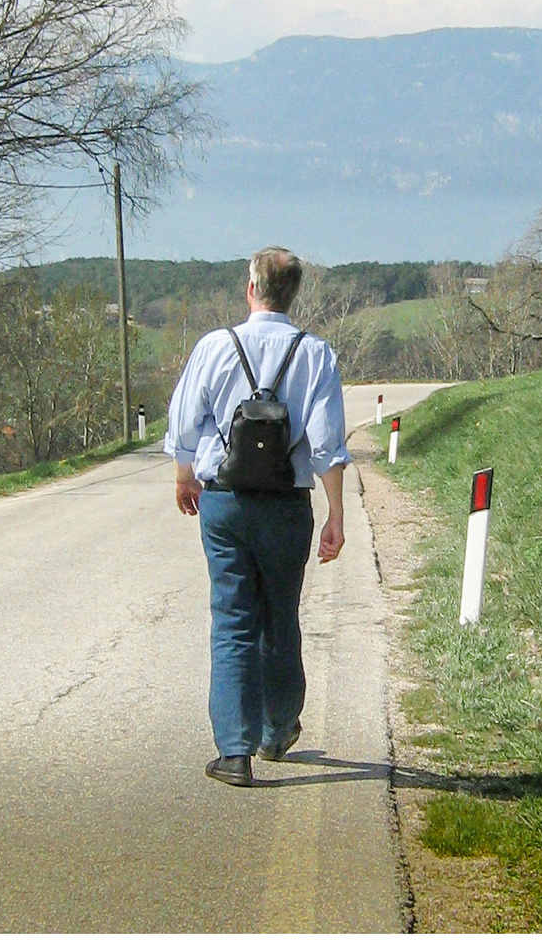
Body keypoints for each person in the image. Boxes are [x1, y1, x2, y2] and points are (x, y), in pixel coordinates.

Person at [164, 247, 351, 787]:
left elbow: (183, 422)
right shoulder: (315, 354)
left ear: (251, 289)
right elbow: (326, 444)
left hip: (224, 501)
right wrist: (336, 513)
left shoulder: (215, 347)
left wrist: (184, 477)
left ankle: (233, 751)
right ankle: (277, 729)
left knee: (232, 620)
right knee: (281, 616)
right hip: (288, 507)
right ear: (293, 294)